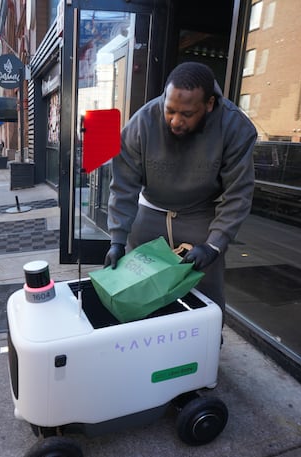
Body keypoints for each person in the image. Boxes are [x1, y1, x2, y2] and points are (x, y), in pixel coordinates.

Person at [104, 62, 257, 314]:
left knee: (206, 291)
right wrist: (117, 240)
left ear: (209, 104)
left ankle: (205, 343)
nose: (175, 121)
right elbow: (123, 186)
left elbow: (238, 194)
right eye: (170, 110)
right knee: (140, 288)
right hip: (150, 211)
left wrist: (214, 244)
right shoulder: (141, 123)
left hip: (200, 215)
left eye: (186, 114)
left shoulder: (235, 127)